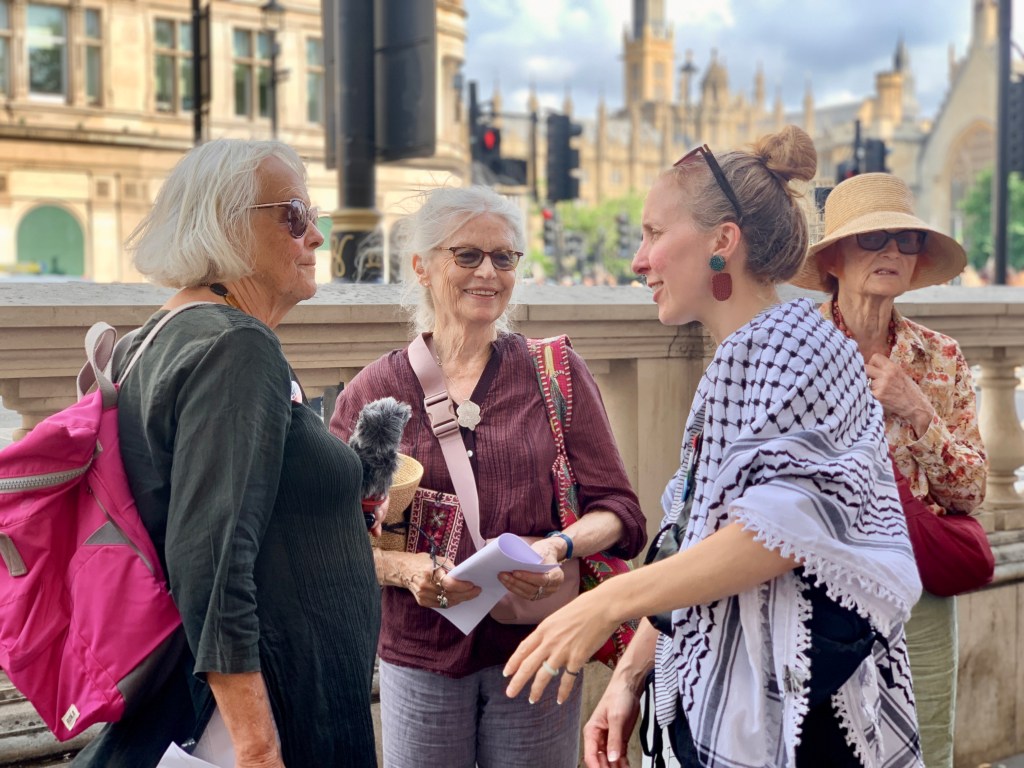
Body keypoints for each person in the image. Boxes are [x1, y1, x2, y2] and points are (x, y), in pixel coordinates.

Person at [503, 127, 924, 768]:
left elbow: (776, 533)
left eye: (653, 233)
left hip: (796, 718)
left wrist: (606, 601)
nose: (639, 260)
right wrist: (627, 678)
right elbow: (693, 543)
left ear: (722, 241)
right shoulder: (748, 352)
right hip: (728, 704)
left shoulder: (801, 346)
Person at [74, 139, 380, 768]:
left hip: (229, 699)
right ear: (227, 225)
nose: (316, 237)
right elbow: (209, 557)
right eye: (295, 215)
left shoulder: (157, 335)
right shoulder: (235, 346)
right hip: (259, 718)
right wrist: (258, 744)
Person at [329, 185, 646, 768]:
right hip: (420, 653)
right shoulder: (378, 394)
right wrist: (407, 570)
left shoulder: (552, 374)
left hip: (538, 649)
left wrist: (555, 546)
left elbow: (620, 511)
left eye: (504, 257)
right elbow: (336, 535)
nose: (489, 272)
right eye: (467, 255)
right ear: (423, 266)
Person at [790, 172, 987, 768]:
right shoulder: (794, 347)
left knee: (928, 744)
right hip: (814, 584)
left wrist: (915, 407)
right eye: (874, 239)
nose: (893, 252)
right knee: (819, 749)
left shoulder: (939, 355)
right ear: (834, 259)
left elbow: (972, 490)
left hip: (916, 579)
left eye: (905, 240)